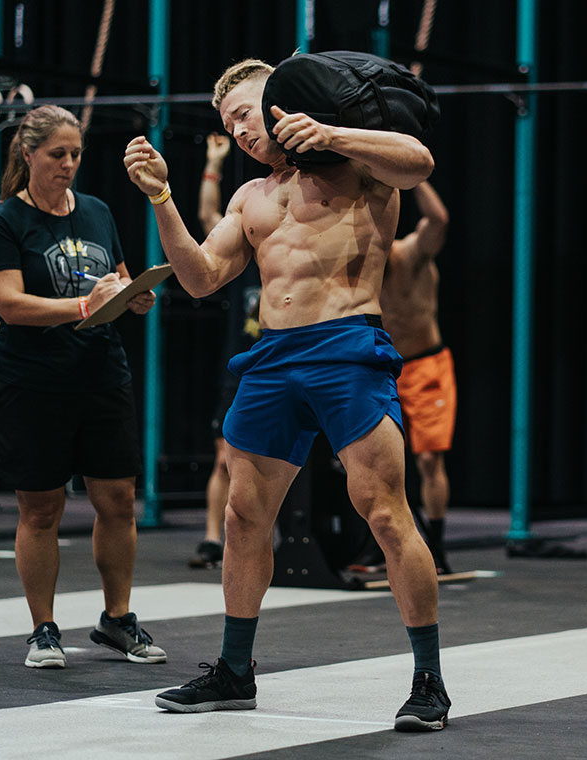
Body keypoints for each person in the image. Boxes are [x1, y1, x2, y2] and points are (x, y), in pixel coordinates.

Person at [124, 58, 451, 731]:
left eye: (244, 114)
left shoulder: (355, 165)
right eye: (227, 124)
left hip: (346, 349)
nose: (239, 131)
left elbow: (418, 162)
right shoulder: (249, 198)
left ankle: (428, 682)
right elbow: (201, 278)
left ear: (280, 102)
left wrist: (329, 131)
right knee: (243, 518)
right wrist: (161, 198)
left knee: (385, 515)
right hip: (272, 359)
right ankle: (233, 671)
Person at [0, 105, 167, 669]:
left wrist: (133, 297)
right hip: (34, 382)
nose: (69, 165)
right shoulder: (7, 220)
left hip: (102, 373)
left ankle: (117, 619)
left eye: (76, 155)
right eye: (57, 155)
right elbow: (8, 305)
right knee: (40, 508)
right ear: (28, 154)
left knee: (117, 501)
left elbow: (114, 280)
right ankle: (43, 629)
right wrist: (80, 305)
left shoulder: (95, 210)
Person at [188, 133, 261, 569]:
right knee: (223, 459)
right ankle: (213, 538)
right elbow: (207, 215)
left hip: (281, 363)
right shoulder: (243, 256)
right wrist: (214, 162)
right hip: (240, 369)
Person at [380, 180, 456, 575]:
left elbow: (438, 219)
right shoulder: (363, 270)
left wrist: (414, 176)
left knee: (428, 460)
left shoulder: (412, 252)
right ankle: (380, 547)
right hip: (386, 367)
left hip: (427, 366)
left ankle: (438, 546)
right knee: (379, 463)